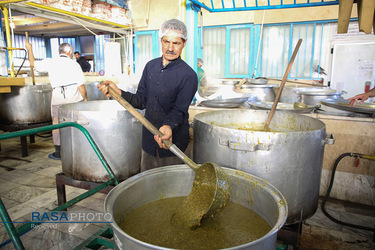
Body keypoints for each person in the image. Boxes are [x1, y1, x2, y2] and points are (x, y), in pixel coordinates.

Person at [98, 18, 198, 172]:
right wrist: (119, 93)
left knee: (174, 189)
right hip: (149, 143)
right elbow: (141, 101)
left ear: (184, 43)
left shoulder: (188, 75)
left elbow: (180, 110)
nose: (170, 48)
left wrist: (168, 125)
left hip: (173, 144)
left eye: (176, 43)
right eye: (167, 42)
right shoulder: (150, 66)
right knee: (148, 188)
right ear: (161, 41)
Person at [25, 42, 88, 160]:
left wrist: (29, 49)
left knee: (57, 124)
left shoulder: (51, 62)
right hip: (74, 100)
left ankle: (58, 152)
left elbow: (32, 63)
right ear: (69, 51)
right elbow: (81, 86)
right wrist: (85, 99)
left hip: (58, 99)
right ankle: (79, 149)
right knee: (77, 124)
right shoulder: (74, 64)